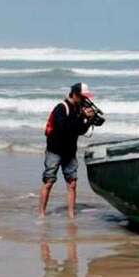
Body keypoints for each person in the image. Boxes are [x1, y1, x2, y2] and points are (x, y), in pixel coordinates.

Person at [38, 82, 96, 218]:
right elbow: (65, 128)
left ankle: (71, 215)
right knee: (49, 182)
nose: (85, 99)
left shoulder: (79, 109)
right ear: (74, 94)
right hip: (55, 151)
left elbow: (80, 130)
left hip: (70, 151)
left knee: (72, 183)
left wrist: (89, 120)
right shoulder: (61, 108)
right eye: (82, 97)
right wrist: (82, 117)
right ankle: (41, 214)